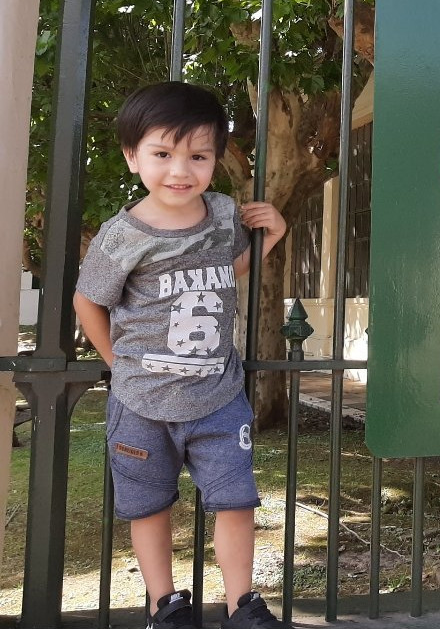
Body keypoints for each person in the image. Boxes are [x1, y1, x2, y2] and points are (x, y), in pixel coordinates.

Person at [73, 81, 288, 629]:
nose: (180, 170)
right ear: (132, 157)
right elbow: (87, 301)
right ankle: (164, 605)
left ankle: (243, 605)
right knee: (149, 507)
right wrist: (118, 364)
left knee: (237, 502)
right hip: (141, 404)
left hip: (218, 396)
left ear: (215, 160)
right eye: (163, 154)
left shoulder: (221, 214)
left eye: (198, 156)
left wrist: (272, 236)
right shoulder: (121, 237)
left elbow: (228, 274)